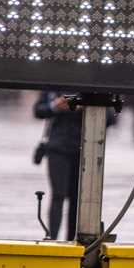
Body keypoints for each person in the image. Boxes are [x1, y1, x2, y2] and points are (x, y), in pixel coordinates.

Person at [34, 90, 83, 240]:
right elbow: (38, 110)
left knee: (77, 198)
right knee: (58, 194)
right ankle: (53, 238)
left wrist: (87, 107)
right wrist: (56, 105)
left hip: (83, 149)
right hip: (57, 149)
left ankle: (73, 240)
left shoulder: (91, 84)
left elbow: (110, 118)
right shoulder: (54, 85)